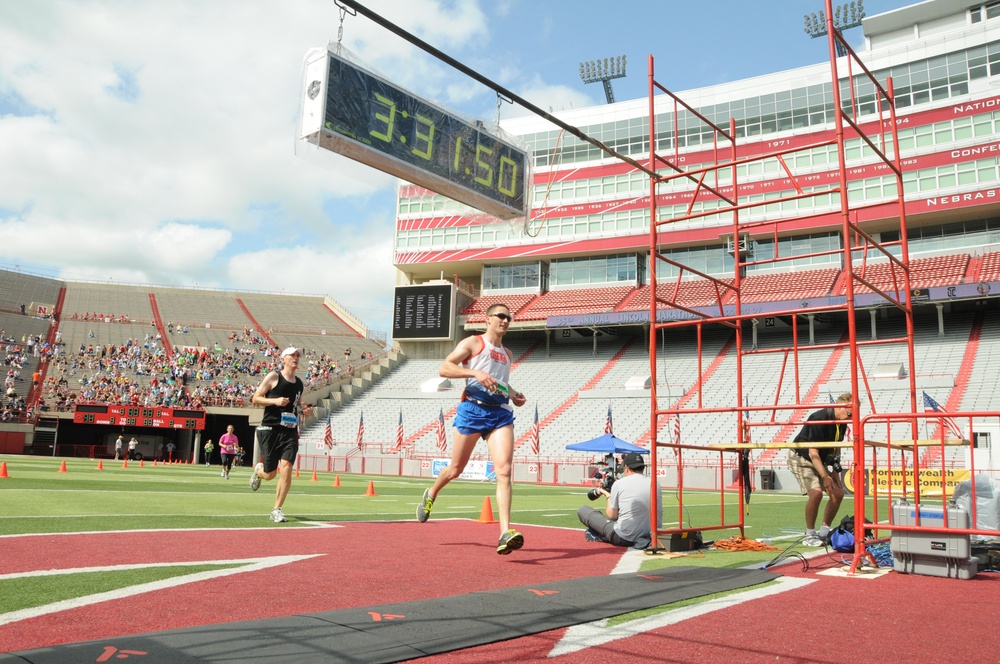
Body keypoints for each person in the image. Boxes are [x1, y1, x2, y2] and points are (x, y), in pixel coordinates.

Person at [416, 303, 527, 555]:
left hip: (499, 413)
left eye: (509, 318)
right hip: (472, 410)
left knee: (505, 470)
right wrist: (474, 373)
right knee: (456, 468)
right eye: (501, 316)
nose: (506, 321)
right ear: (488, 319)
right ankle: (431, 492)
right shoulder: (473, 343)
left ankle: (505, 532)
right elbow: (445, 368)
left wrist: (514, 394)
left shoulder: (507, 353)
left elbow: (500, 383)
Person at [787, 393, 853, 546]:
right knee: (816, 493)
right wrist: (825, 476)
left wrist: (836, 473)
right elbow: (812, 452)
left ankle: (824, 532)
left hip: (819, 460)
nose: (851, 418)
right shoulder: (819, 418)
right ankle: (809, 535)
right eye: (850, 413)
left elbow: (837, 447)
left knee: (838, 493)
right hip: (801, 458)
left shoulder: (842, 422)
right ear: (841, 406)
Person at [249, 347, 304, 523]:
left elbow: (298, 405)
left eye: (298, 355)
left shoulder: (299, 383)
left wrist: (305, 410)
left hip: (289, 431)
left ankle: (276, 509)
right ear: (283, 359)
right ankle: (259, 471)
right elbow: (256, 398)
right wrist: (275, 401)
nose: (296, 358)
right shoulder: (274, 377)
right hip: (271, 429)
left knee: (287, 469)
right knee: (270, 474)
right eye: (292, 355)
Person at [577, 452, 662, 548]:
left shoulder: (619, 483)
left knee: (583, 510)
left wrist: (607, 495)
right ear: (642, 467)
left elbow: (612, 515)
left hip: (625, 537)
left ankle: (602, 536)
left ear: (626, 467)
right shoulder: (655, 483)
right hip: (652, 535)